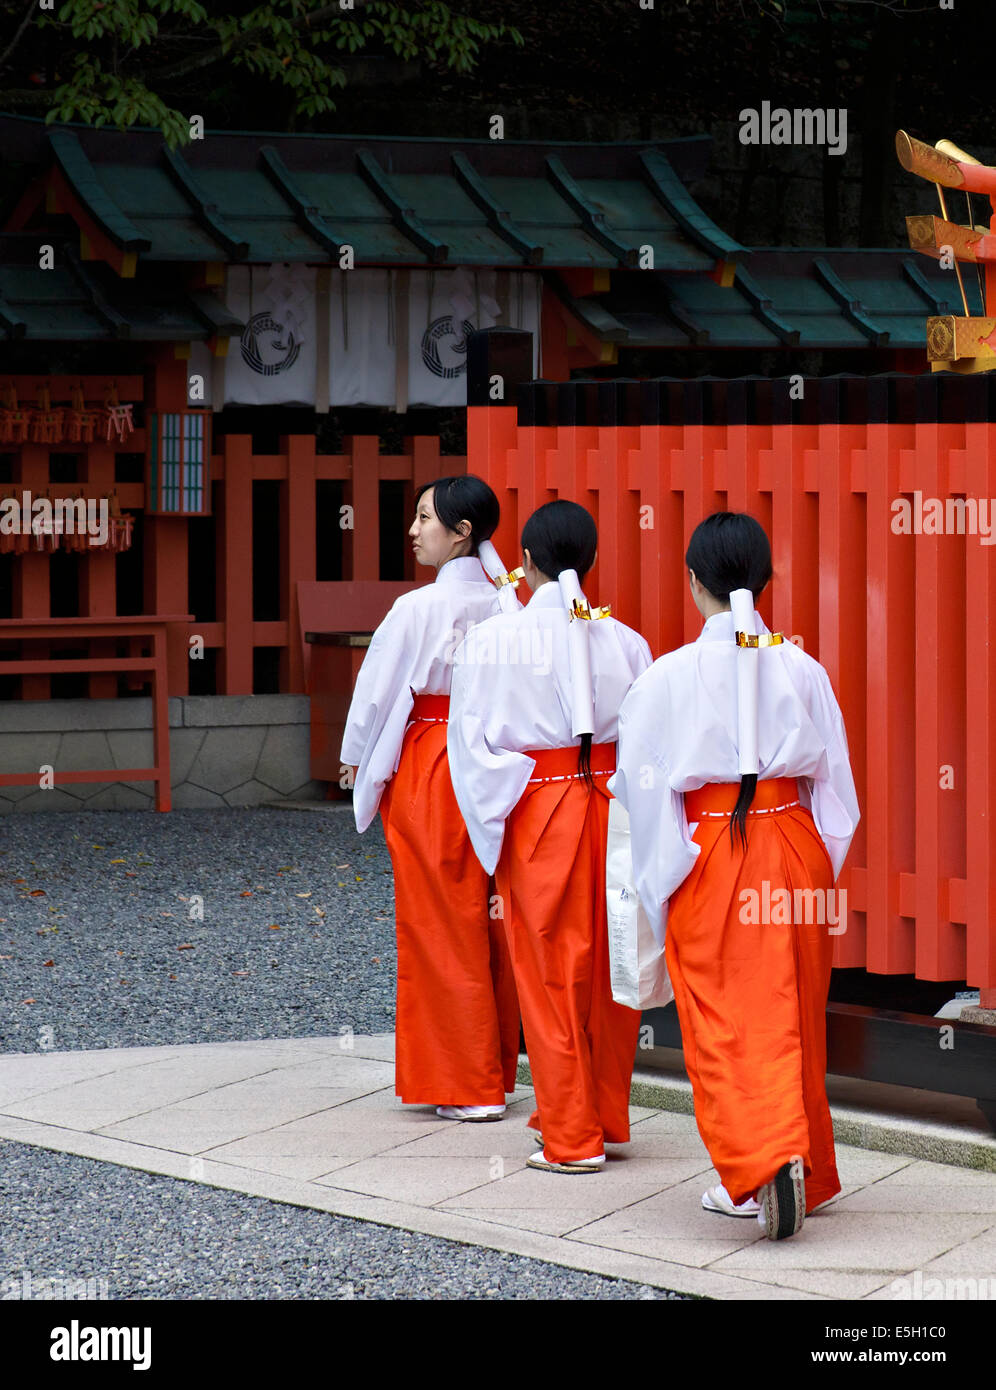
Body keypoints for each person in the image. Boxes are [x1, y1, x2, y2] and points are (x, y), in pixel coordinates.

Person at [611, 512, 859, 1238]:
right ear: (766, 579)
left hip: (710, 843)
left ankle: (757, 1171)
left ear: (693, 581)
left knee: (721, 1015)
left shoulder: (665, 677)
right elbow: (835, 788)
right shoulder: (802, 667)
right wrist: (817, 865)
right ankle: (803, 1161)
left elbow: (645, 791)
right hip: (794, 840)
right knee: (792, 1008)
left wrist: (665, 880)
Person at [447, 499, 652, 1172]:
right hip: (613, 804)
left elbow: (470, 747)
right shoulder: (622, 639)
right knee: (609, 965)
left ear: (526, 562)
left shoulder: (493, 640)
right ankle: (601, 1114)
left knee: (547, 973)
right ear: (589, 561)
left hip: (538, 807)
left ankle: (571, 1136)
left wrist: (496, 814)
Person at [340, 475, 521, 1121]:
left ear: (461, 532)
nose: (414, 531)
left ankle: (465, 1082)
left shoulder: (419, 609)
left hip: (434, 760)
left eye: (425, 519)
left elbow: (377, 693)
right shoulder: (508, 605)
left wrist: (355, 757)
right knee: (487, 916)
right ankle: (492, 1068)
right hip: (496, 762)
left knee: (437, 921)